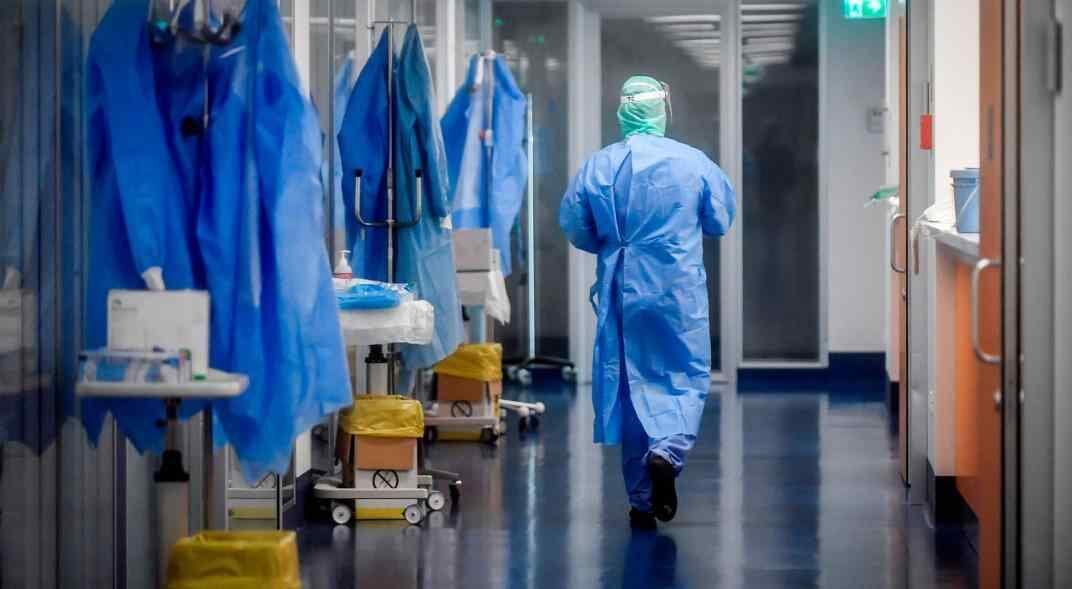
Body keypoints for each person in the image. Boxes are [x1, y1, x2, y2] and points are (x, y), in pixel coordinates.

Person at [559, 75, 735, 529]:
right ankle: (668, 451)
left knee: (631, 385)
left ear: (622, 111)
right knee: (682, 374)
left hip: (622, 290)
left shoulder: (598, 166)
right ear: (663, 111)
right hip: (677, 291)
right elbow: (719, 221)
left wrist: (618, 242)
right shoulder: (693, 163)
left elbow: (577, 227)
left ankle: (641, 501)